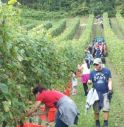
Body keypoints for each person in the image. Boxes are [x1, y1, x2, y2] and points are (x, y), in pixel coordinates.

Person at [88, 58, 113, 127]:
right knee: (96, 110)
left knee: (106, 108)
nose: (95, 66)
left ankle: (105, 123)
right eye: (94, 65)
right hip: (95, 94)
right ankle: (97, 122)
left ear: (100, 63)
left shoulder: (107, 71)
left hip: (105, 93)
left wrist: (110, 89)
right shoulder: (92, 72)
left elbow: (109, 81)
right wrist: (89, 82)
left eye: (97, 64)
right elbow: (89, 81)